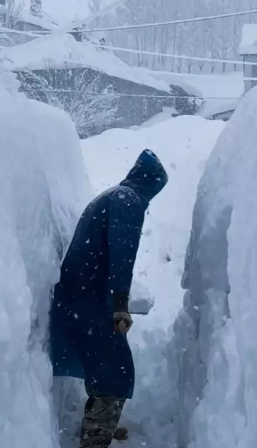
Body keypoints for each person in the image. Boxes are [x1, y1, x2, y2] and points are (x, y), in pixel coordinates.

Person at [50, 149, 168, 448]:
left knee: (103, 361)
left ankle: (98, 423)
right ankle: (96, 436)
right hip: (91, 296)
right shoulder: (128, 201)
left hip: (82, 292)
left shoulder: (114, 195)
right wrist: (120, 305)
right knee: (116, 370)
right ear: (150, 182)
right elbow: (122, 257)